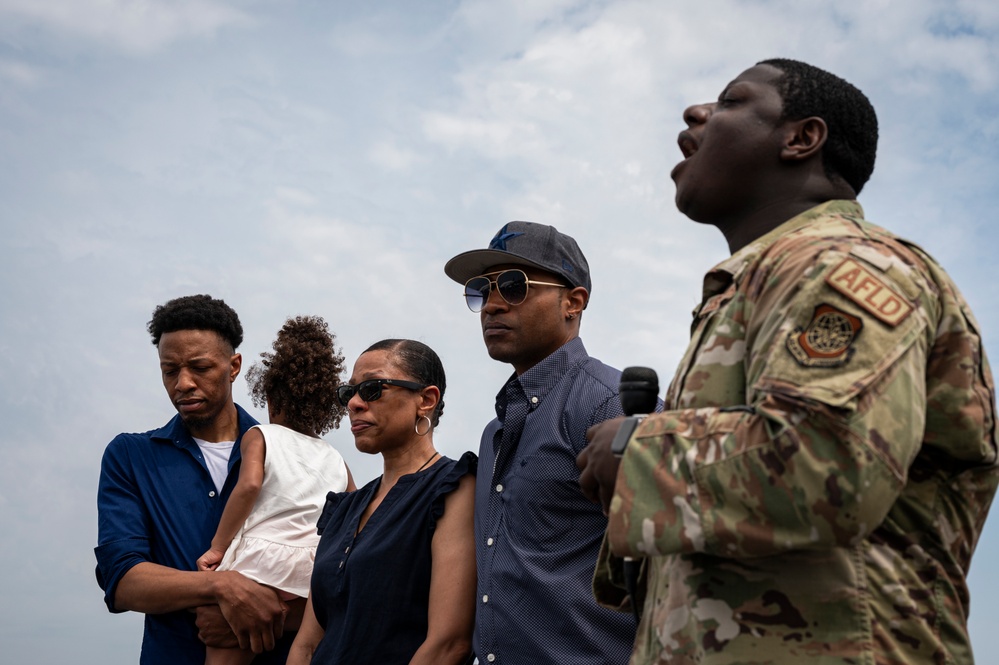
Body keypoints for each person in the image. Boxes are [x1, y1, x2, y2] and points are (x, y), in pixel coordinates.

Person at [576, 58, 999, 664]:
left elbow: (827, 460)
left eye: (729, 102)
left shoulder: (840, 264)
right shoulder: (760, 283)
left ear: (802, 138)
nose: (696, 114)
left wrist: (635, 451)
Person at [444, 222, 641, 663]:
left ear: (573, 302)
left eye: (515, 286)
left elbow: (675, 563)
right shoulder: (495, 433)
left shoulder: (610, 405)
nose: (492, 305)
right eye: (482, 289)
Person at [95, 294, 300, 664]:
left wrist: (274, 615)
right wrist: (222, 585)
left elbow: (334, 576)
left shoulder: (288, 452)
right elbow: (124, 581)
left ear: (234, 365)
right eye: (169, 370)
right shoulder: (130, 456)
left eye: (200, 367)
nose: (183, 383)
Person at [287, 339, 477, 665]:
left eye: (373, 389)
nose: (354, 404)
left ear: (426, 400)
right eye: (349, 393)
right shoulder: (343, 509)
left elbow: (448, 644)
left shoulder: (454, 488)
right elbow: (307, 644)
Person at [195, 315, 357, 665]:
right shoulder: (335, 457)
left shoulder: (260, 435)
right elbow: (354, 515)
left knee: (222, 651)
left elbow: (249, 485)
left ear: (268, 392)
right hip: (310, 575)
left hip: (259, 564)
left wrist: (217, 548)